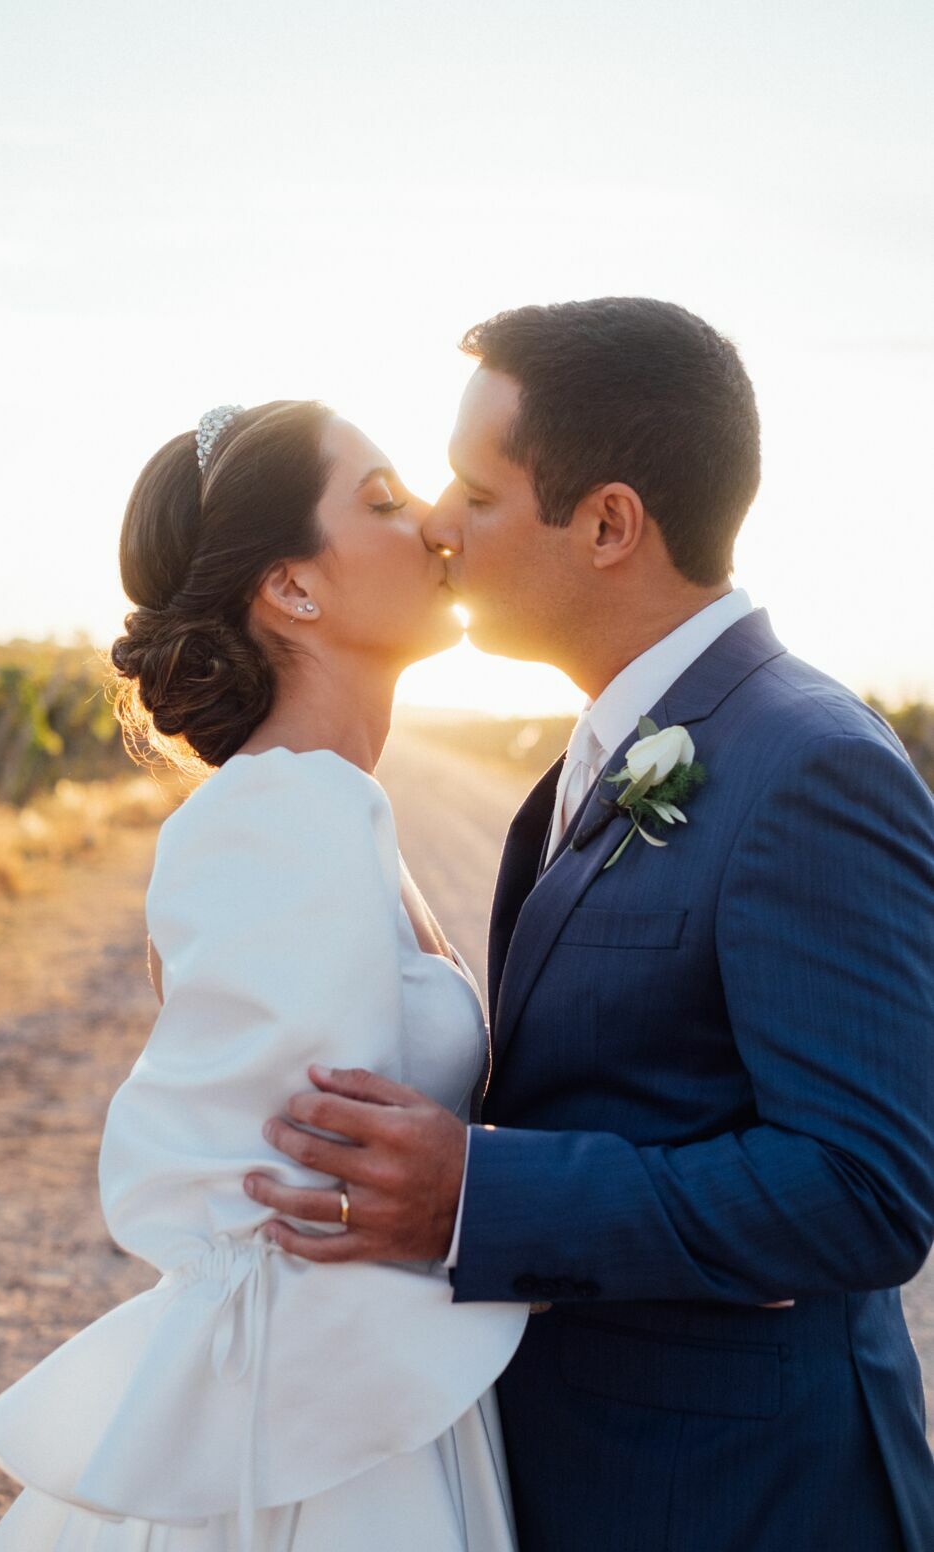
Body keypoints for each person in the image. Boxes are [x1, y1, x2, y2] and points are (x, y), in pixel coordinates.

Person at [253, 300, 934, 1551]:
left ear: (608, 522)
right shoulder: (589, 758)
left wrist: (477, 1192)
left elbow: (864, 1189)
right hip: (588, 1468)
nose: (439, 526)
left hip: (746, 1499)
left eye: (475, 489)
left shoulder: (810, 763)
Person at [0, 399, 528, 1551]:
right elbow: (288, 1190)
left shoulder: (326, 801)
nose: (427, 520)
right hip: (325, 1444)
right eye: (378, 500)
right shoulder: (287, 810)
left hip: (364, 1390)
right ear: (293, 589)